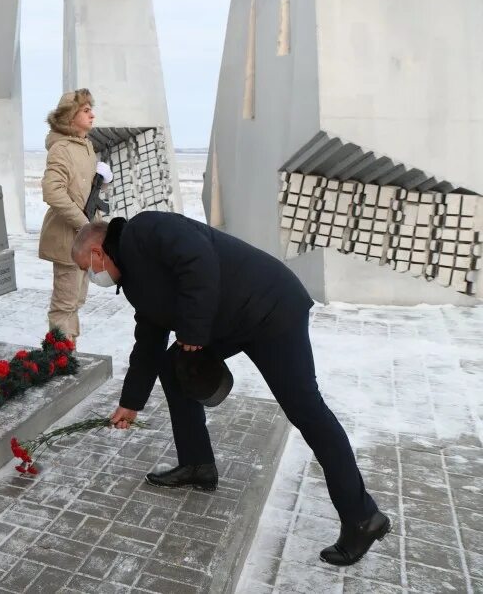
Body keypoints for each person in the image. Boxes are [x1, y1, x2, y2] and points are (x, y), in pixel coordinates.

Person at [72, 214, 390, 566]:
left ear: (99, 252)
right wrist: (130, 402)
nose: (91, 277)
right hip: (233, 319)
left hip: (272, 308)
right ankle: (197, 464)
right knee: (169, 365)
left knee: (306, 410)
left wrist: (193, 331)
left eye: (87, 267)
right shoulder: (134, 279)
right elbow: (148, 339)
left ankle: (363, 517)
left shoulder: (146, 230)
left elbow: (198, 260)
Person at [38, 88, 112, 343]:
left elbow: (81, 190)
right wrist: (84, 224)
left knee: (77, 299)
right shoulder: (61, 148)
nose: (92, 115)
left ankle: (69, 350)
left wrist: (101, 181)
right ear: (71, 117)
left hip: (85, 239)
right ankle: (59, 356)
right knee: (65, 302)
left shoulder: (86, 146)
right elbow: (52, 191)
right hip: (69, 237)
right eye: (86, 110)